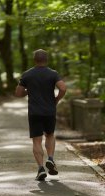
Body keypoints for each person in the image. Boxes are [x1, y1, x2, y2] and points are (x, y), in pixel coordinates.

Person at [15, 49, 67, 181]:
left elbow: (18, 93)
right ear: (46, 60)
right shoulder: (53, 74)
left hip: (34, 112)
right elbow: (63, 88)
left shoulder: (27, 74)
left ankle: (40, 169)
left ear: (34, 60)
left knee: (36, 140)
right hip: (49, 111)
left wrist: (29, 90)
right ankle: (50, 158)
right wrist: (56, 99)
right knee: (49, 135)